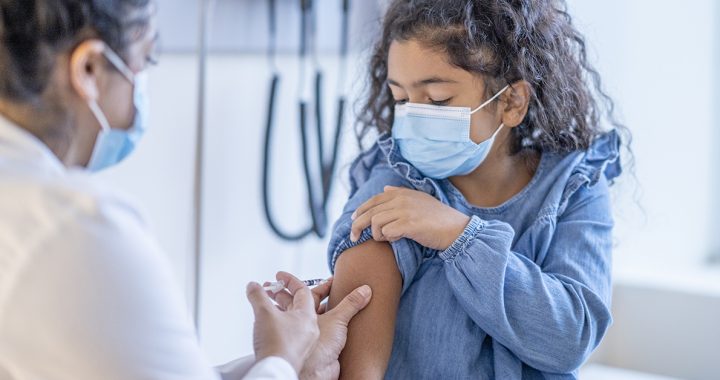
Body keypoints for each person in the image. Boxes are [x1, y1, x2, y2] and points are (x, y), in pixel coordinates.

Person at [0, 1, 371, 379]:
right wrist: (286, 360)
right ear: (90, 69)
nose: (139, 96)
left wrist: (281, 357)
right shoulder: (71, 229)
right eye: (144, 62)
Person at [326, 0, 630, 379]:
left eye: (437, 99)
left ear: (511, 101)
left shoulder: (574, 186)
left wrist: (460, 236)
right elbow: (357, 362)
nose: (412, 118)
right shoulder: (397, 179)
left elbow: (569, 339)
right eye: (401, 99)